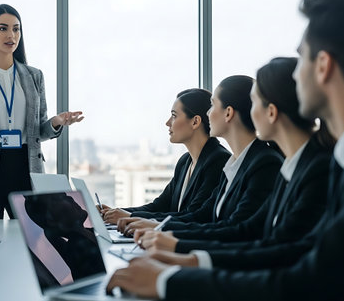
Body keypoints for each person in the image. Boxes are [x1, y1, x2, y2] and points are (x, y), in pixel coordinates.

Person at [106, 0, 344, 300]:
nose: (295, 72)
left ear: (323, 65)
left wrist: (171, 280)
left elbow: (313, 276)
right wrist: (189, 261)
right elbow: (291, 249)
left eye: (302, 57)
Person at [133, 57, 334, 272]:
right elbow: (243, 227)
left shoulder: (274, 164)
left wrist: (180, 248)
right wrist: (169, 237)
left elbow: (260, 240)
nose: (208, 113)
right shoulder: (287, 167)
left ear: (272, 112)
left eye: (254, 102)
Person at [0, 4, 84, 219]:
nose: (11, 35)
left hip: (26, 169)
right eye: (3, 28)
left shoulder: (34, 76)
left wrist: (56, 122)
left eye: (16, 29)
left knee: (31, 246)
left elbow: (39, 130)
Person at [118, 75, 283, 237]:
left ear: (228, 113)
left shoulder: (260, 164)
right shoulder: (233, 164)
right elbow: (203, 215)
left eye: (212, 106)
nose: (208, 114)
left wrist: (164, 234)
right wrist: (152, 225)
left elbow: (236, 230)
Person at [100, 88, 230, 224]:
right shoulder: (185, 161)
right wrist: (117, 213)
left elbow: (193, 216)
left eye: (174, 116)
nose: (168, 123)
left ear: (195, 122)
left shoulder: (219, 161)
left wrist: (129, 217)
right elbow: (160, 205)